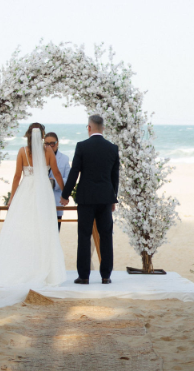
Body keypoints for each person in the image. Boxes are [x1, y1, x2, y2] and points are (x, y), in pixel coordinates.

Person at [0, 124, 67, 288]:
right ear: (42, 136)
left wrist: (11, 199)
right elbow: (57, 173)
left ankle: (23, 266)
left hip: (26, 190)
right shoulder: (48, 151)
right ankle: (43, 269)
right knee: (43, 229)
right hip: (43, 191)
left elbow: (17, 176)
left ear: (28, 135)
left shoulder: (22, 152)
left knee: (23, 228)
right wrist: (65, 193)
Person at [60, 114, 120, 285]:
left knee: (84, 236)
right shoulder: (112, 148)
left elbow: (74, 173)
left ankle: (84, 276)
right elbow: (115, 177)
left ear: (89, 127)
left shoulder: (82, 146)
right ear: (103, 128)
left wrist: (65, 195)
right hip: (105, 199)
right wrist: (112, 199)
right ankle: (106, 276)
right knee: (106, 236)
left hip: (86, 199)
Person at [44, 132, 71, 228]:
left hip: (56, 201)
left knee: (55, 233)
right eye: (47, 143)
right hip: (41, 201)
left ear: (57, 143)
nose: (50, 146)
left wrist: (54, 182)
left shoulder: (64, 159)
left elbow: (68, 180)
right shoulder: (39, 158)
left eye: (52, 143)